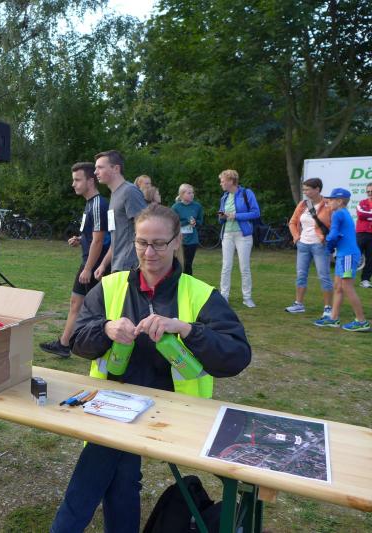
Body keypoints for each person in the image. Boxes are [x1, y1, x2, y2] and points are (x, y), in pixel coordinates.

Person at [51, 204, 251, 533]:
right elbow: (77, 341)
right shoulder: (111, 286)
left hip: (178, 413)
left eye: (159, 243)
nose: (149, 252)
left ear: (176, 242)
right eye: (142, 242)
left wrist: (188, 330)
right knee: (119, 473)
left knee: (103, 462)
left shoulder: (200, 294)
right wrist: (106, 329)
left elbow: (237, 355)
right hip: (114, 403)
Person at [40, 162, 110, 358]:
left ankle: (97, 347)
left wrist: (88, 268)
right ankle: (64, 344)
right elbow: (94, 235)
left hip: (95, 265)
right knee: (75, 303)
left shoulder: (98, 204)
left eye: (77, 180)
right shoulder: (90, 203)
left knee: (96, 309)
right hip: (88, 261)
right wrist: (81, 239)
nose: (73, 184)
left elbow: (99, 240)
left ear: (90, 181)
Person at [314, 188, 369, 331]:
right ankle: (333, 319)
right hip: (344, 254)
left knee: (347, 287)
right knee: (338, 287)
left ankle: (362, 322)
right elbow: (338, 235)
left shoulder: (338, 214)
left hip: (347, 256)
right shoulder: (342, 212)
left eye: (331, 199)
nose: (328, 201)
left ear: (339, 201)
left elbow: (333, 235)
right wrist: (332, 244)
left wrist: (328, 247)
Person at [93, 151, 147, 277]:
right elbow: (117, 236)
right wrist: (103, 264)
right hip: (118, 265)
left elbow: (145, 228)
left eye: (100, 167)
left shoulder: (129, 191)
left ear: (116, 169)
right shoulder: (115, 195)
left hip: (131, 266)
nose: (95, 172)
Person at [285, 178, 333, 317]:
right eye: (304, 189)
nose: (305, 192)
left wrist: (326, 239)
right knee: (301, 275)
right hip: (303, 245)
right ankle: (298, 304)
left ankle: (328, 308)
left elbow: (334, 224)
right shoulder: (303, 204)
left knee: (324, 276)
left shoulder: (328, 205)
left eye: (307, 189)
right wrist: (296, 237)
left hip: (320, 245)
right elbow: (292, 222)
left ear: (317, 189)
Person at [217, 169, 260, 308]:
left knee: (244, 267)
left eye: (222, 181)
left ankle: (247, 298)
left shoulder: (247, 193)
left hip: (243, 235)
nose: (221, 184)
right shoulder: (224, 197)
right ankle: (224, 296)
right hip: (227, 235)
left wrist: (236, 216)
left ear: (231, 181)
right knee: (226, 266)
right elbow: (221, 218)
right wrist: (221, 216)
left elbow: (256, 213)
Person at [171, 183, 204, 275]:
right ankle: (176, 281)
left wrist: (195, 222)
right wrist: (186, 222)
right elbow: (172, 223)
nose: (192, 195)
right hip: (179, 240)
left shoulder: (197, 206)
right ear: (182, 194)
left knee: (188, 265)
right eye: (189, 193)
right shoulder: (176, 207)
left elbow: (200, 221)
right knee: (178, 264)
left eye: (192, 193)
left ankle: (188, 282)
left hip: (192, 240)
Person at [356, 182, 372, 288]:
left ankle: (365, 280)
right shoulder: (362, 202)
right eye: (368, 191)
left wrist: (368, 215)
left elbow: (365, 215)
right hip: (361, 233)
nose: (370, 193)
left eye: (371, 191)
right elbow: (361, 214)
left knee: (370, 258)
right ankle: (347, 277)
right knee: (356, 256)